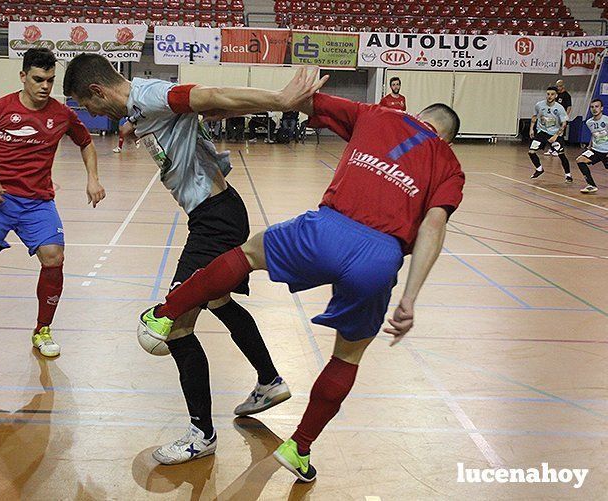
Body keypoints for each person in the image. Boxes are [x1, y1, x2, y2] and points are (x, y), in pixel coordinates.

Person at [139, 69, 465, 482]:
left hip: (327, 230)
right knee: (347, 356)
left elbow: (299, 100)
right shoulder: (450, 165)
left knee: (248, 253)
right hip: (380, 259)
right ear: (448, 139)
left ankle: (164, 314)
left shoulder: (376, 114)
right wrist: (409, 298)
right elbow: (434, 228)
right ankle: (299, 446)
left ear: (417, 114)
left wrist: (238, 103)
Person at [62, 53, 291, 465]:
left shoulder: (152, 95)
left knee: (174, 327)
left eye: (87, 105)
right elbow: (211, 108)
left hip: (214, 221)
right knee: (219, 301)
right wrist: (136, 127)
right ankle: (269, 380)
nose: (91, 113)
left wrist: (280, 99)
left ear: (96, 92)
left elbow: (212, 95)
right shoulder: (141, 107)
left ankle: (202, 434)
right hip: (217, 212)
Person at [0, 49, 106, 358]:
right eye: (38, 79)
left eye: (50, 80)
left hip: (38, 202)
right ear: (23, 76)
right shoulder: (0, 109)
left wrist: (92, 178)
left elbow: (86, 143)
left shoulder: (62, 114)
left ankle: (42, 330)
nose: (44, 86)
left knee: (54, 257)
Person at [529, 86, 572, 182]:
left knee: (561, 154)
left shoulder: (559, 108)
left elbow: (564, 123)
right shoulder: (539, 105)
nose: (549, 96)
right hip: (542, 132)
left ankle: (568, 175)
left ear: (556, 96)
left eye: (552, 94)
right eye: (548, 94)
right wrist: (531, 129)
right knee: (531, 152)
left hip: (555, 133)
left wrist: (556, 136)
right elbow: (534, 116)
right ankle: (539, 169)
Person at [576, 98, 608, 194]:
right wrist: (590, 146)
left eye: (597, 106)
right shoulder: (589, 122)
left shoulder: (606, 120)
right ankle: (591, 185)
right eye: (592, 107)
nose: (594, 109)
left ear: (601, 108)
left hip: (606, 151)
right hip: (596, 150)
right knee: (580, 160)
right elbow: (594, 134)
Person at [547, 79, 573, 155]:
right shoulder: (555, 94)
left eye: (560, 86)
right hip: (554, 116)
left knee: (560, 134)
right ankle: (552, 149)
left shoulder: (567, 95)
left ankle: (559, 149)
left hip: (561, 117)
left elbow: (569, 107)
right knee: (551, 132)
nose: (558, 88)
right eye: (557, 86)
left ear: (563, 86)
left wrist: (565, 116)